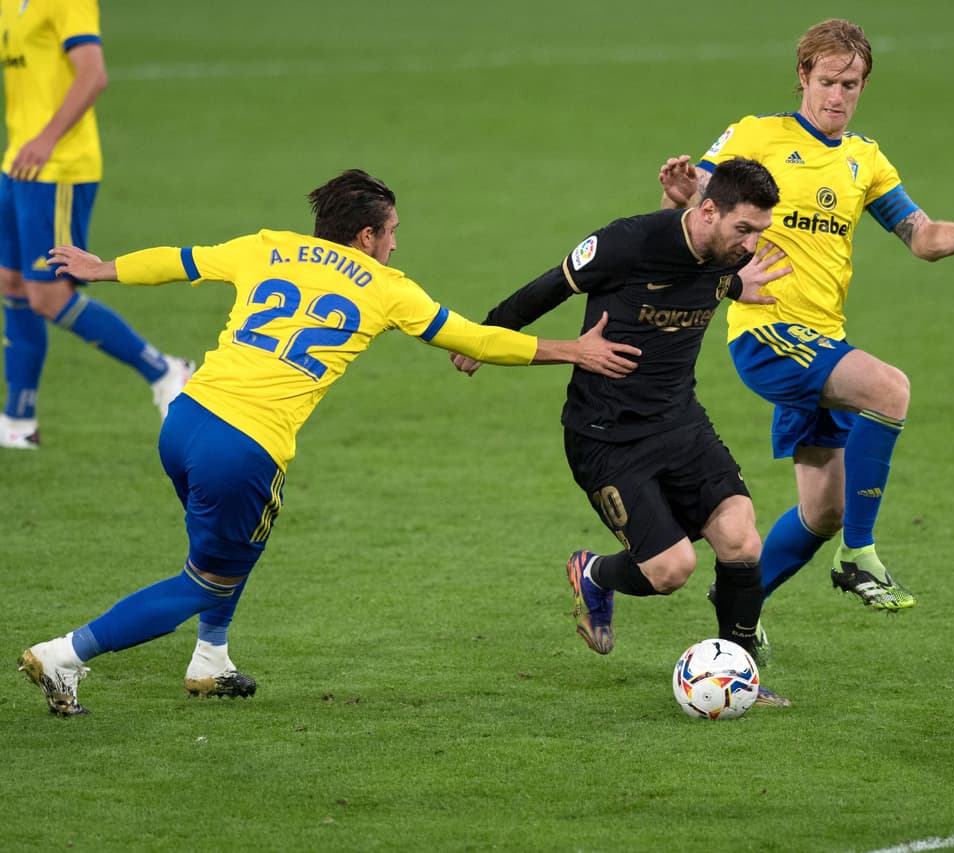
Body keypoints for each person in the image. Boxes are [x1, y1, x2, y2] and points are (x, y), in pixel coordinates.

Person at [18, 169, 642, 716]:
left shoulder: (268, 246)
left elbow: (182, 260)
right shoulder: (385, 287)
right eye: (391, 231)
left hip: (185, 420)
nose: (395, 243)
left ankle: (211, 658)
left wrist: (103, 267)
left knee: (233, 546)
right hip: (244, 448)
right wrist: (574, 350)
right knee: (203, 580)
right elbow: (475, 340)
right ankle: (65, 654)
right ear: (366, 236)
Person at [659, 19, 954, 645]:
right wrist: (682, 197)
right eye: (827, 81)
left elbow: (919, 236)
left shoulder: (864, 159)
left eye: (850, 85)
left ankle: (740, 599)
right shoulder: (756, 135)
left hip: (822, 340)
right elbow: (696, 213)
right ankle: (859, 556)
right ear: (803, 76)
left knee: (825, 510)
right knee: (889, 389)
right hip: (766, 331)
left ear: (863, 86)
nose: (837, 96)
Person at [451, 158, 793, 704]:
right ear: (708, 211)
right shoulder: (627, 242)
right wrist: (485, 336)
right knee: (671, 570)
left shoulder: (727, 255)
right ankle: (594, 574)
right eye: (744, 229)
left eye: (759, 232)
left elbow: (703, 273)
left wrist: (736, 285)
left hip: (680, 422)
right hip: (606, 435)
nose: (751, 245)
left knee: (741, 539)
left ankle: (740, 673)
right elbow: (550, 286)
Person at [0, 0, 192, 450]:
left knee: (48, 295)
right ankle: (18, 419)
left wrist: (47, 139)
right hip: (18, 163)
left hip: (58, 168)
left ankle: (164, 370)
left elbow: (93, 74)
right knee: (10, 281)